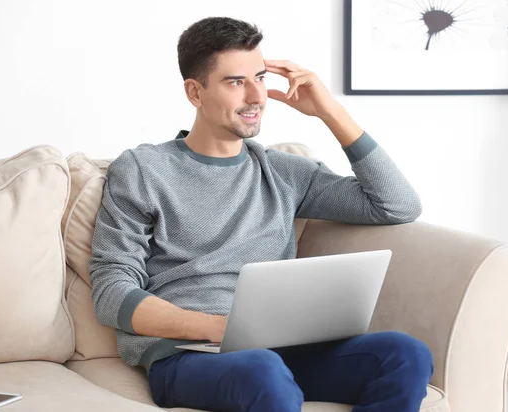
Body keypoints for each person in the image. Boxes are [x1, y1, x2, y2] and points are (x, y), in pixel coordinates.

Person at [88, 16, 433, 412]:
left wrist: (329, 111)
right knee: (262, 368)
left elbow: (396, 205)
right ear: (195, 93)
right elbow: (111, 290)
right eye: (236, 82)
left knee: (406, 354)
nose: (257, 96)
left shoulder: (284, 172)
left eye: (261, 77)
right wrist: (221, 328)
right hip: (191, 356)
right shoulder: (143, 169)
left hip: (283, 348)